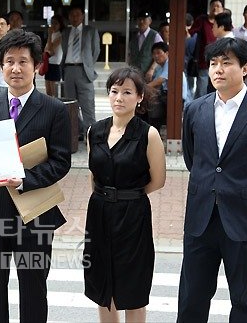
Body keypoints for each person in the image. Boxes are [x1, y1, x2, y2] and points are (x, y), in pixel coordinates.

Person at [177, 37, 247, 323]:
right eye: (214, 63)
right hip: (201, 218)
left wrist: (246, 189)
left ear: (245, 68)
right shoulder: (194, 110)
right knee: (191, 299)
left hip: (244, 218)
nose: (218, 70)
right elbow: (195, 160)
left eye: (227, 63)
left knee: (244, 301)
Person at [0, 29, 72, 323]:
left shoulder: (54, 110)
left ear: (37, 65)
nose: (15, 68)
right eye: (9, 61)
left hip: (35, 212)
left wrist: (24, 178)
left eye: (23, 61)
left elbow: (61, 162)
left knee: (33, 289)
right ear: (1, 65)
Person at [84, 66, 166, 323]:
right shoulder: (94, 131)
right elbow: (92, 174)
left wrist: (128, 195)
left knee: (133, 287)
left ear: (140, 97)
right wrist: (105, 197)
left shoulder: (148, 134)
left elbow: (158, 180)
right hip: (98, 213)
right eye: (114, 91)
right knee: (102, 285)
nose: (119, 98)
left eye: (127, 92)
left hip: (133, 216)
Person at [61, 5, 100, 141]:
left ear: (83, 16)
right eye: (72, 15)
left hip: (84, 71)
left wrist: (88, 65)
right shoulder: (66, 32)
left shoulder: (90, 31)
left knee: (87, 104)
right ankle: (75, 134)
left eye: (77, 14)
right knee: (70, 105)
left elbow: (95, 51)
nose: (75, 17)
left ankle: (91, 135)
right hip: (69, 69)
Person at [189, 0, 224, 99]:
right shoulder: (202, 20)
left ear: (222, 9)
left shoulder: (224, 21)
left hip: (221, 61)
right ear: (209, 7)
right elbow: (190, 33)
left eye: (218, 6)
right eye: (213, 5)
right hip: (204, 60)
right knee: (202, 88)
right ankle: (198, 110)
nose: (215, 8)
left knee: (218, 88)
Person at [128, 10, 163, 82]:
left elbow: (160, 56)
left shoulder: (155, 36)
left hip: (150, 75)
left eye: (144, 19)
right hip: (135, 75)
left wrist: (152, 69)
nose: (141, 22)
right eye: (139, 19)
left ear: (150, 21)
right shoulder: (135, 37)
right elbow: (130, 54)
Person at [44, 14, 64, 97]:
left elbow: (51, 50)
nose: (53, 26)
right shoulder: (52, 35)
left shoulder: (60, 35)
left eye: (56, 23)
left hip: (56, 64)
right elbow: (46, 49)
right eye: (52, 23)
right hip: (48, 63)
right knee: (48, 91)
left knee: (54, 91)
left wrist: (49, 35)